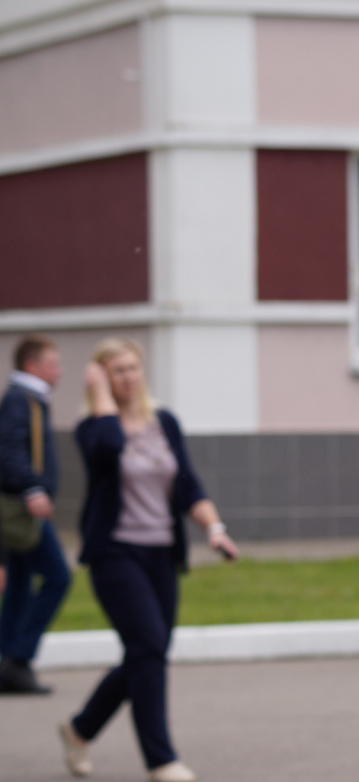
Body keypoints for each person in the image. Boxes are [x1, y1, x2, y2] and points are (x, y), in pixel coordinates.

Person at [59, 338, 239, 782]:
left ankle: (79, 730)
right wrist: (100, 397)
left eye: (133, 368)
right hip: (115, 553)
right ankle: (161, 761)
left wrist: (214, 529)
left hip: (161, 553)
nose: (128, 377)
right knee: (148, 648)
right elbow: (105, 451)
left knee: (147, 653)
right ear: (102, 377)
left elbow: (189, 485)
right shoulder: (93, 426)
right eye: (116, 371)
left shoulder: (165, 423)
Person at [0, 334, 71, 695]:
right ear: (32, 366)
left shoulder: (31, 400)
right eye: (53, 363)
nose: (59, 371)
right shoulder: (20, 400)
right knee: (59, 578)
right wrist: (32, 487)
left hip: (23, 510)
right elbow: (9, 449)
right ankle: (19, 657)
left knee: (19, 587)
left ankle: (7, 664)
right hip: (22, 512)